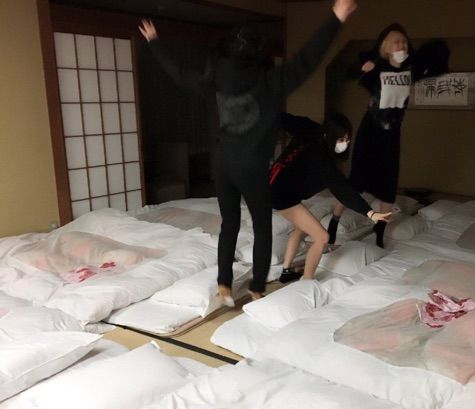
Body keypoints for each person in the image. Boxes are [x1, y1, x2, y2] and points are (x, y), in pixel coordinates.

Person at [139, 0, 358, 305]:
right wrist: (336, 17)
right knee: (261, 227)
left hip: (222, 164)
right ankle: (256, 289)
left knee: (229, 223)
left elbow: (179, 73)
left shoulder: (213, 79)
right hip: (251, 167)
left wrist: (154, 42)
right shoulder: (271, 80)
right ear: (259, 53)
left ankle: (224, 285)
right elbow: (307, 60)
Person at [327, 24, 450, 248]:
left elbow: (435, 62)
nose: (401, 45)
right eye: (396, 41)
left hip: (392, 135)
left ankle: (379, 232)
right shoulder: (377, 68)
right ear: (385, 47)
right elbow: (348, 73)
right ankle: (334, 222)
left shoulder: (411, 70)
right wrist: (365, 67)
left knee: (388, 187)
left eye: (404, 41)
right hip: (370, 132)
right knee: (356, 182)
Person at [270, 113, 391, 282]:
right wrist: (370, 213)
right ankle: (307, 281)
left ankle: (286, 271)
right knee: (322, 237)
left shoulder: (310, 129)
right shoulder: (322, 159)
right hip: (281, 195)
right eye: (341, 139)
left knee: (302, 228)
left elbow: (280, 118)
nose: (345, 143)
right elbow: (343, 190)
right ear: (329, 135)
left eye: (347, 139)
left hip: (276, 187)